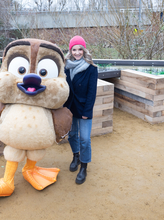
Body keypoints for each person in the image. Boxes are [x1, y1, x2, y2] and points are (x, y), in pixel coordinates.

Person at [64, 35, 98, 184]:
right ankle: (75, 156)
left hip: (84, 109)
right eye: (74, 49)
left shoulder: (91, 68)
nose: (77, 52)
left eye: (80, 49)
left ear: (84, 50)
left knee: (84, 138)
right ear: (70, 51)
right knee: (72, 135)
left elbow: (92, 93)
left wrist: (86, 112)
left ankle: (84, 166)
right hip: (70, 108)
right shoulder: (65, 67)